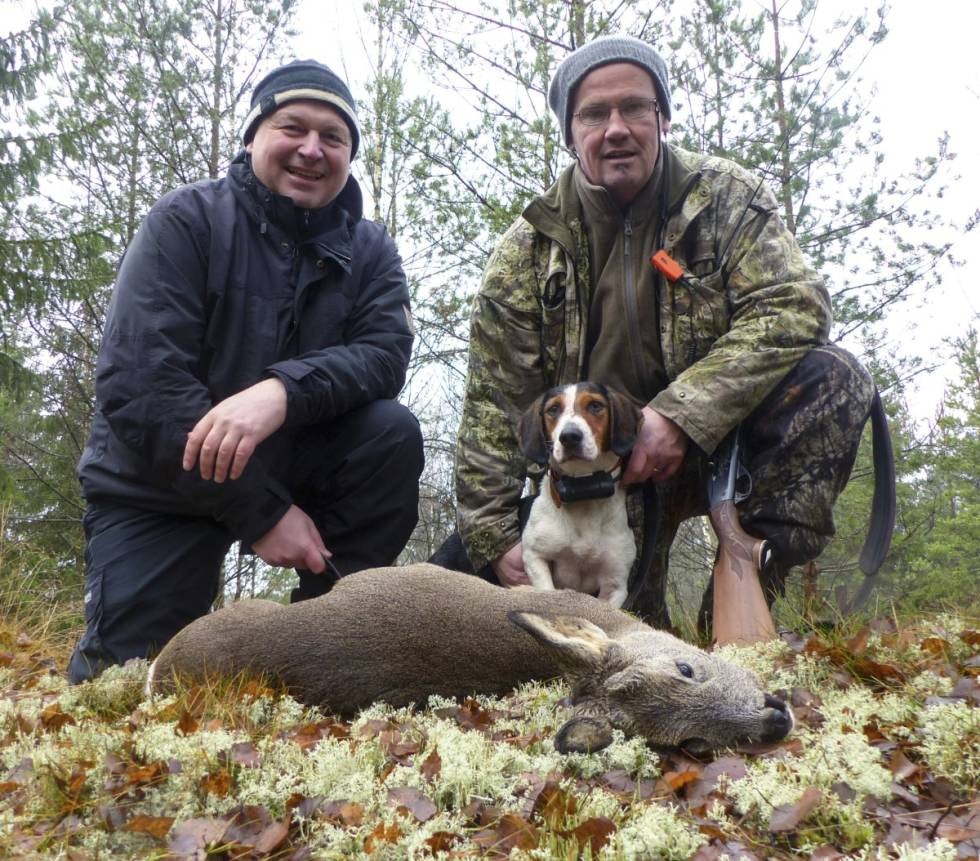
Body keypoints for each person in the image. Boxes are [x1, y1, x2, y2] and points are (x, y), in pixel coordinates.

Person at [453, 35, 876, 628]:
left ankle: (747, 597)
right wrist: (497, 540)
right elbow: (493, 410)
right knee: (632, 634)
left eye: (635, 107)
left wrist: (682, 416)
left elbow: (794, 306)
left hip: (720, 455)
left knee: (833, 377)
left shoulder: (729, 198)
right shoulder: (526, 251)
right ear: (570, 133)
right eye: (594, 113)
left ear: (664, 116)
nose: (616, 128)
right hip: (601, 478)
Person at [68, 60, 424, 683]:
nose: (312, 149)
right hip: (159, 485)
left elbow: (385, 355)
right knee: (128, 685)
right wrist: (259, 512)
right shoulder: (186, 221)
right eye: (293, 127)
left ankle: (328, 652)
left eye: (333, 138)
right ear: (254, 135)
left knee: (390, 432)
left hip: (297, 466)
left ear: (348, 155)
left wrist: (282, 391)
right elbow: (140, 387)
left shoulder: (369, 250)